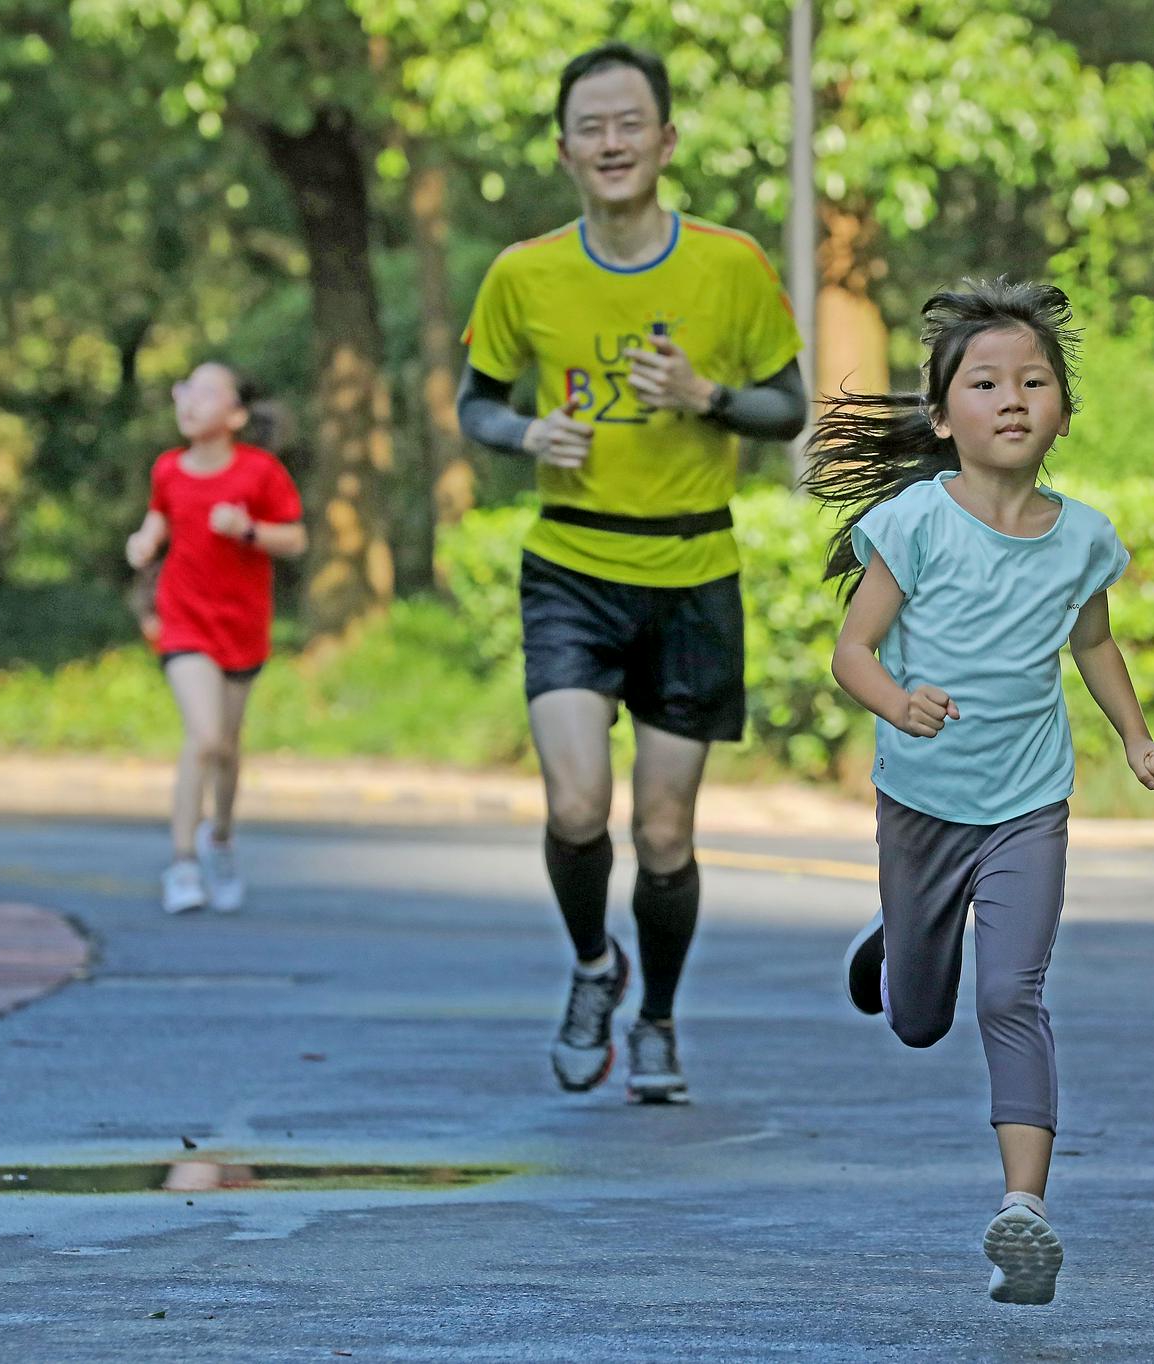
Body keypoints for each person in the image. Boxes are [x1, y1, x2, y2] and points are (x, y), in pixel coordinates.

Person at [807, 280, 1154, 1305]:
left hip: (1027, 804)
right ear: (941, 417)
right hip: (922, 801)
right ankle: (895, 936)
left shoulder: (1083, 537)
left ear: (1059, 408)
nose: (1011, 397)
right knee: (920, 1017)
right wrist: (897, 702)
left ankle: (1024, 1208)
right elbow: (851, 650)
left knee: (1011, 993)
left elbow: (1091, 643)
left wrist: (1136, 737)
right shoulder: (914, 520)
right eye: (983, 382)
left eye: (1032, 380)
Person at [454, 43, 807, 1103]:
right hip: (570, 565)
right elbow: (473, 401)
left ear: (665, 140)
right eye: (589, 127)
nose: (610, 143)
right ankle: (589, 966)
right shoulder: (524, 272)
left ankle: (653, 1015)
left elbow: (786, 407)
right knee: (574, 805)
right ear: (563, 148)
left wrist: (706, 394)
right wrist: (524, 434)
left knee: (662, 832)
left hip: (692, 570)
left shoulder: (728, 263)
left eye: (628, 124)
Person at [125, 363, 306, 914]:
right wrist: (143, 539)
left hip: (242, 626)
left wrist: (247, 530)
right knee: (203, 737)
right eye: (185, 388)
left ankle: (219, 840)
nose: (189, 400)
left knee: (226, 748)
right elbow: (159, 517)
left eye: (206, 392)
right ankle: (182, 863)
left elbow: (295, 539)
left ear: (234, 415)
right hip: (182, 618)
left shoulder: (260, 472)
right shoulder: (168, 470)